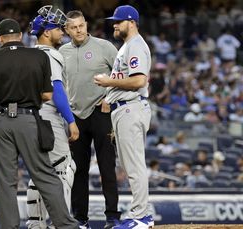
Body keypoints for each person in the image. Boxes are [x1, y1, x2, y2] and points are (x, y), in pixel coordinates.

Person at [0, 18, 79, 229]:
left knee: (6, 182)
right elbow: (48, 94)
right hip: (29, 119)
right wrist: (29, 100)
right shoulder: (39, 56)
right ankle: (65, 225)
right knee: (45, 175)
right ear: (20, 36)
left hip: (0, 122)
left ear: (0, 38)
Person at [94, 5, 154, 228]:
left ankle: (142, 216)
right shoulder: (127, 46)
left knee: (135, 166)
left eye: (119, 21)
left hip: (131, 108)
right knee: (131, 166)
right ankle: (140, 214)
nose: (115, 25)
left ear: (132, 22)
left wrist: (109, 83)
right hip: (123, 109)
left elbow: (139, 81)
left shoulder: (136, 45)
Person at [59, 10, 120, 228]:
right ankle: (80, 219)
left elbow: (122, 75)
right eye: (73, 27)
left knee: (107, 167)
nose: (78, 30)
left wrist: (110, 98)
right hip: (76, 116)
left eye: (81, 26)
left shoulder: (105, 47)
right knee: (78, 170)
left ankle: (112, 217)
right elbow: (59, 85)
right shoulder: (62, 52)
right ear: (66, 30)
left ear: (86, 25)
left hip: (100, 113)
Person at [26, 6, 79, 228]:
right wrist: (71, 121)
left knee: (39, 172)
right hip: (48, 116)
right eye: (58, 28)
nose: (62, 31)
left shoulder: (29, 54)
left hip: (28, 118)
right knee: (64, 168)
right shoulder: (51, 54)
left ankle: (35, 224)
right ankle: (63, 223)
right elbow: (57, 91)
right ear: (46, 32)